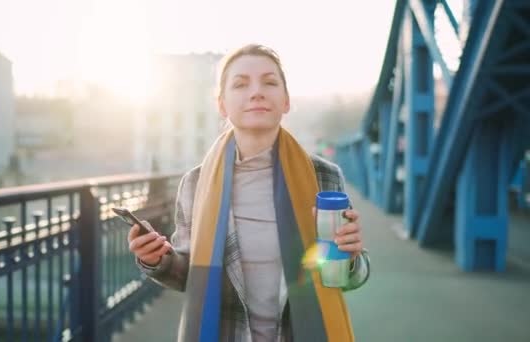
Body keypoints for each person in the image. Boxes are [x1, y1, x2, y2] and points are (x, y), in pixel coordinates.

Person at [128, 44, 370, 342]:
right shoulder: (195, 184)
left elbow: (348, 277)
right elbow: (188, 276)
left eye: (269, 82)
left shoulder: (324, 177)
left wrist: (350, 255)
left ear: (286, 101)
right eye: (241, 84)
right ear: (222, 105)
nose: (256, 92)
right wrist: (156, 259)